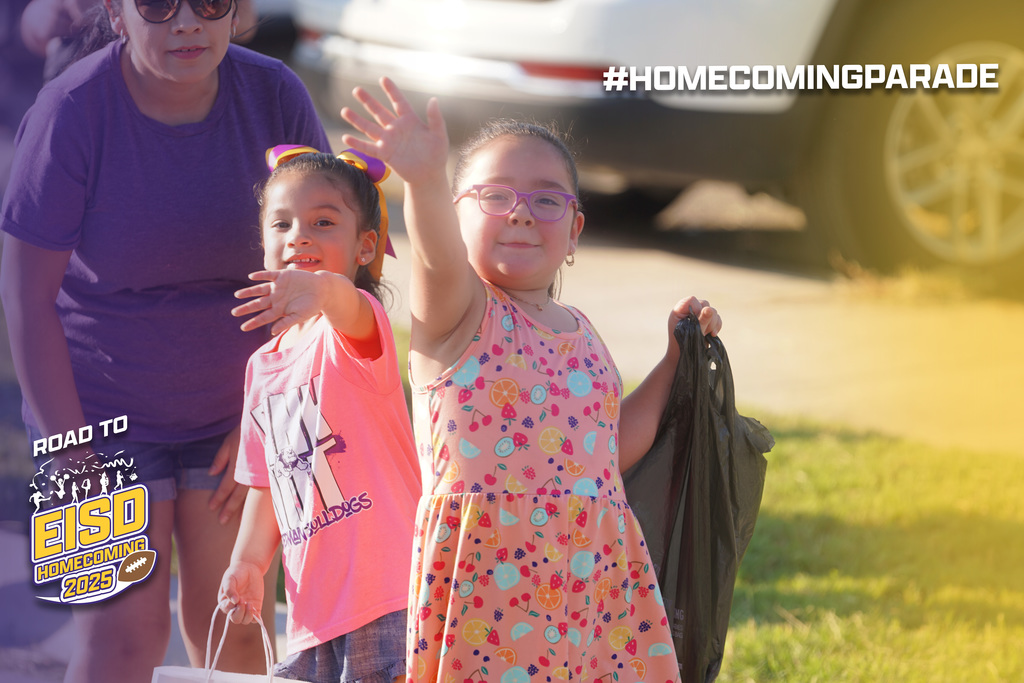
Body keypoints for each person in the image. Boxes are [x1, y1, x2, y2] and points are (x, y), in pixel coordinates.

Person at [340, 78, 723, 683]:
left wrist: (675, 360)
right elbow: (438, 255)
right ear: (455, 217)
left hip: (595, 584)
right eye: (493, 195)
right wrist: (423, 180)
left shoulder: (582, 331)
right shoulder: (457, 314)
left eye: (548, 201)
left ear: (574, 233)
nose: (520, 210)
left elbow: (608, 447)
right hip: (491, 594)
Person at [0, 0, 330, 680]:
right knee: (119, 642)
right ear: (117, 15)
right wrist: (71, 454)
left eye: (209, 3)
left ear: (236, 12)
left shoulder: (274, 93)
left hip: (240, 414)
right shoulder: (71, 110)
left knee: (239, 635)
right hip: (91, 415)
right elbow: (27, 302)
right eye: (156, 5)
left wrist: (266, 418)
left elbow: (322, 266)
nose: (186, 24)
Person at [216, 146, 420, 683]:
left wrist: (323, 288)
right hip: (310, 612)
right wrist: (249, 563)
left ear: (364, 246)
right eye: (281, 223)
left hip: (389, 596)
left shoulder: (356, 329)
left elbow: (344, 302)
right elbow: (267, 483)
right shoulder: (263, 366)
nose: (299, 236)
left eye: (323, 222)